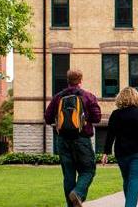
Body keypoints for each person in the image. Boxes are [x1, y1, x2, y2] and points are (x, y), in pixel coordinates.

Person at [44, 69, 102, 207]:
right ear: (80, 80)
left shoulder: (58, 97)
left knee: (68, 175)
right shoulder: (88, 96)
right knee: (88, 170)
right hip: (82, 139)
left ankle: (72, 203)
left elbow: (47, 118)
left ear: (68, 80)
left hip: (63, 140)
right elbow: (97, 118)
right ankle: (78, 193)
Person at [101, 87, 138, 207]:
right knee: (135, 180)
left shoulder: (115, 114)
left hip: (121, 153)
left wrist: (106, 153)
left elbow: (110, 135)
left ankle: (130, 204)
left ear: (120, 98)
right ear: (136, 97)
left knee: (127, 180)